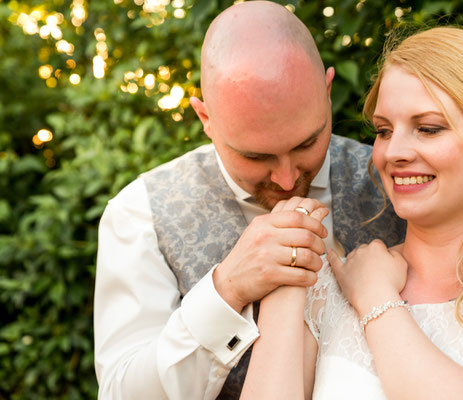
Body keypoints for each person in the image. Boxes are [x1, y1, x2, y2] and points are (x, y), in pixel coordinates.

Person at [240, 26, 463, 399]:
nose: (393, 152)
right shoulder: (328, 288)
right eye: (383, 130)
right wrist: (288, 282)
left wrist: (376, 297)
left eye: (427, 128)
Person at [93, 1, 406, 399]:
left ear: (327, 93)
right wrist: (227, 290)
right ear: (206, 119)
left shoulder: (397, 182)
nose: (287, 177)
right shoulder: (140, 214)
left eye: (307, 143)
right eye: (255, 156)